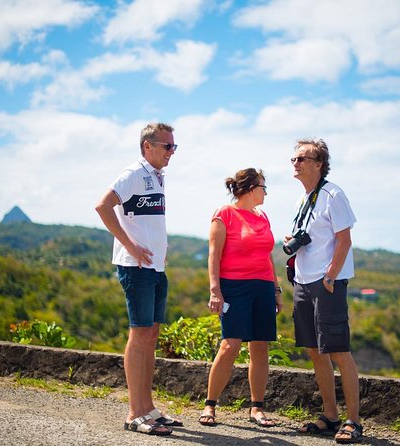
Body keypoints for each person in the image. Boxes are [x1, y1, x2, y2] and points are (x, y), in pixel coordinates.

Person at [94, 122, 181, 436]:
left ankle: (148, 408)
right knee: (139, 334)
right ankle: (135, 413)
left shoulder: (156, 177)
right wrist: (130, 246)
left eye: (174, 146)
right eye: (167, 146)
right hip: (135, 268)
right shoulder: (133, 173)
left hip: (156, 268)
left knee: (151, 335)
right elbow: (103, 206)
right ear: (148, 146)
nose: (172, 152)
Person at [286, 139, 363, 444]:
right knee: (315, 351)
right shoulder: (302, 199)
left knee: (338, 351)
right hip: (303, 282)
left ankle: (354, 421)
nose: (296, 163)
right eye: (294, 158)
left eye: (302, 159)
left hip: (327, 283)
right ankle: (330, 416)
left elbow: (344, 240)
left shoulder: (334, 194)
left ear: (318, 164)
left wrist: (331, 276)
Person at [199, 168, 283, 428]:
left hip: (263, 287)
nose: (266, 192)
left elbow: (268, 256)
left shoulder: (263, 216)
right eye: (262, 187)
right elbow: (214, 255)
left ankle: (256, 408)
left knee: (260, 347)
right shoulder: (224, 214)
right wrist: (215, 290)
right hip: (234, 286)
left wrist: (277, 290)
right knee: (230, 345)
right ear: (248, 188)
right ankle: (210, 405)